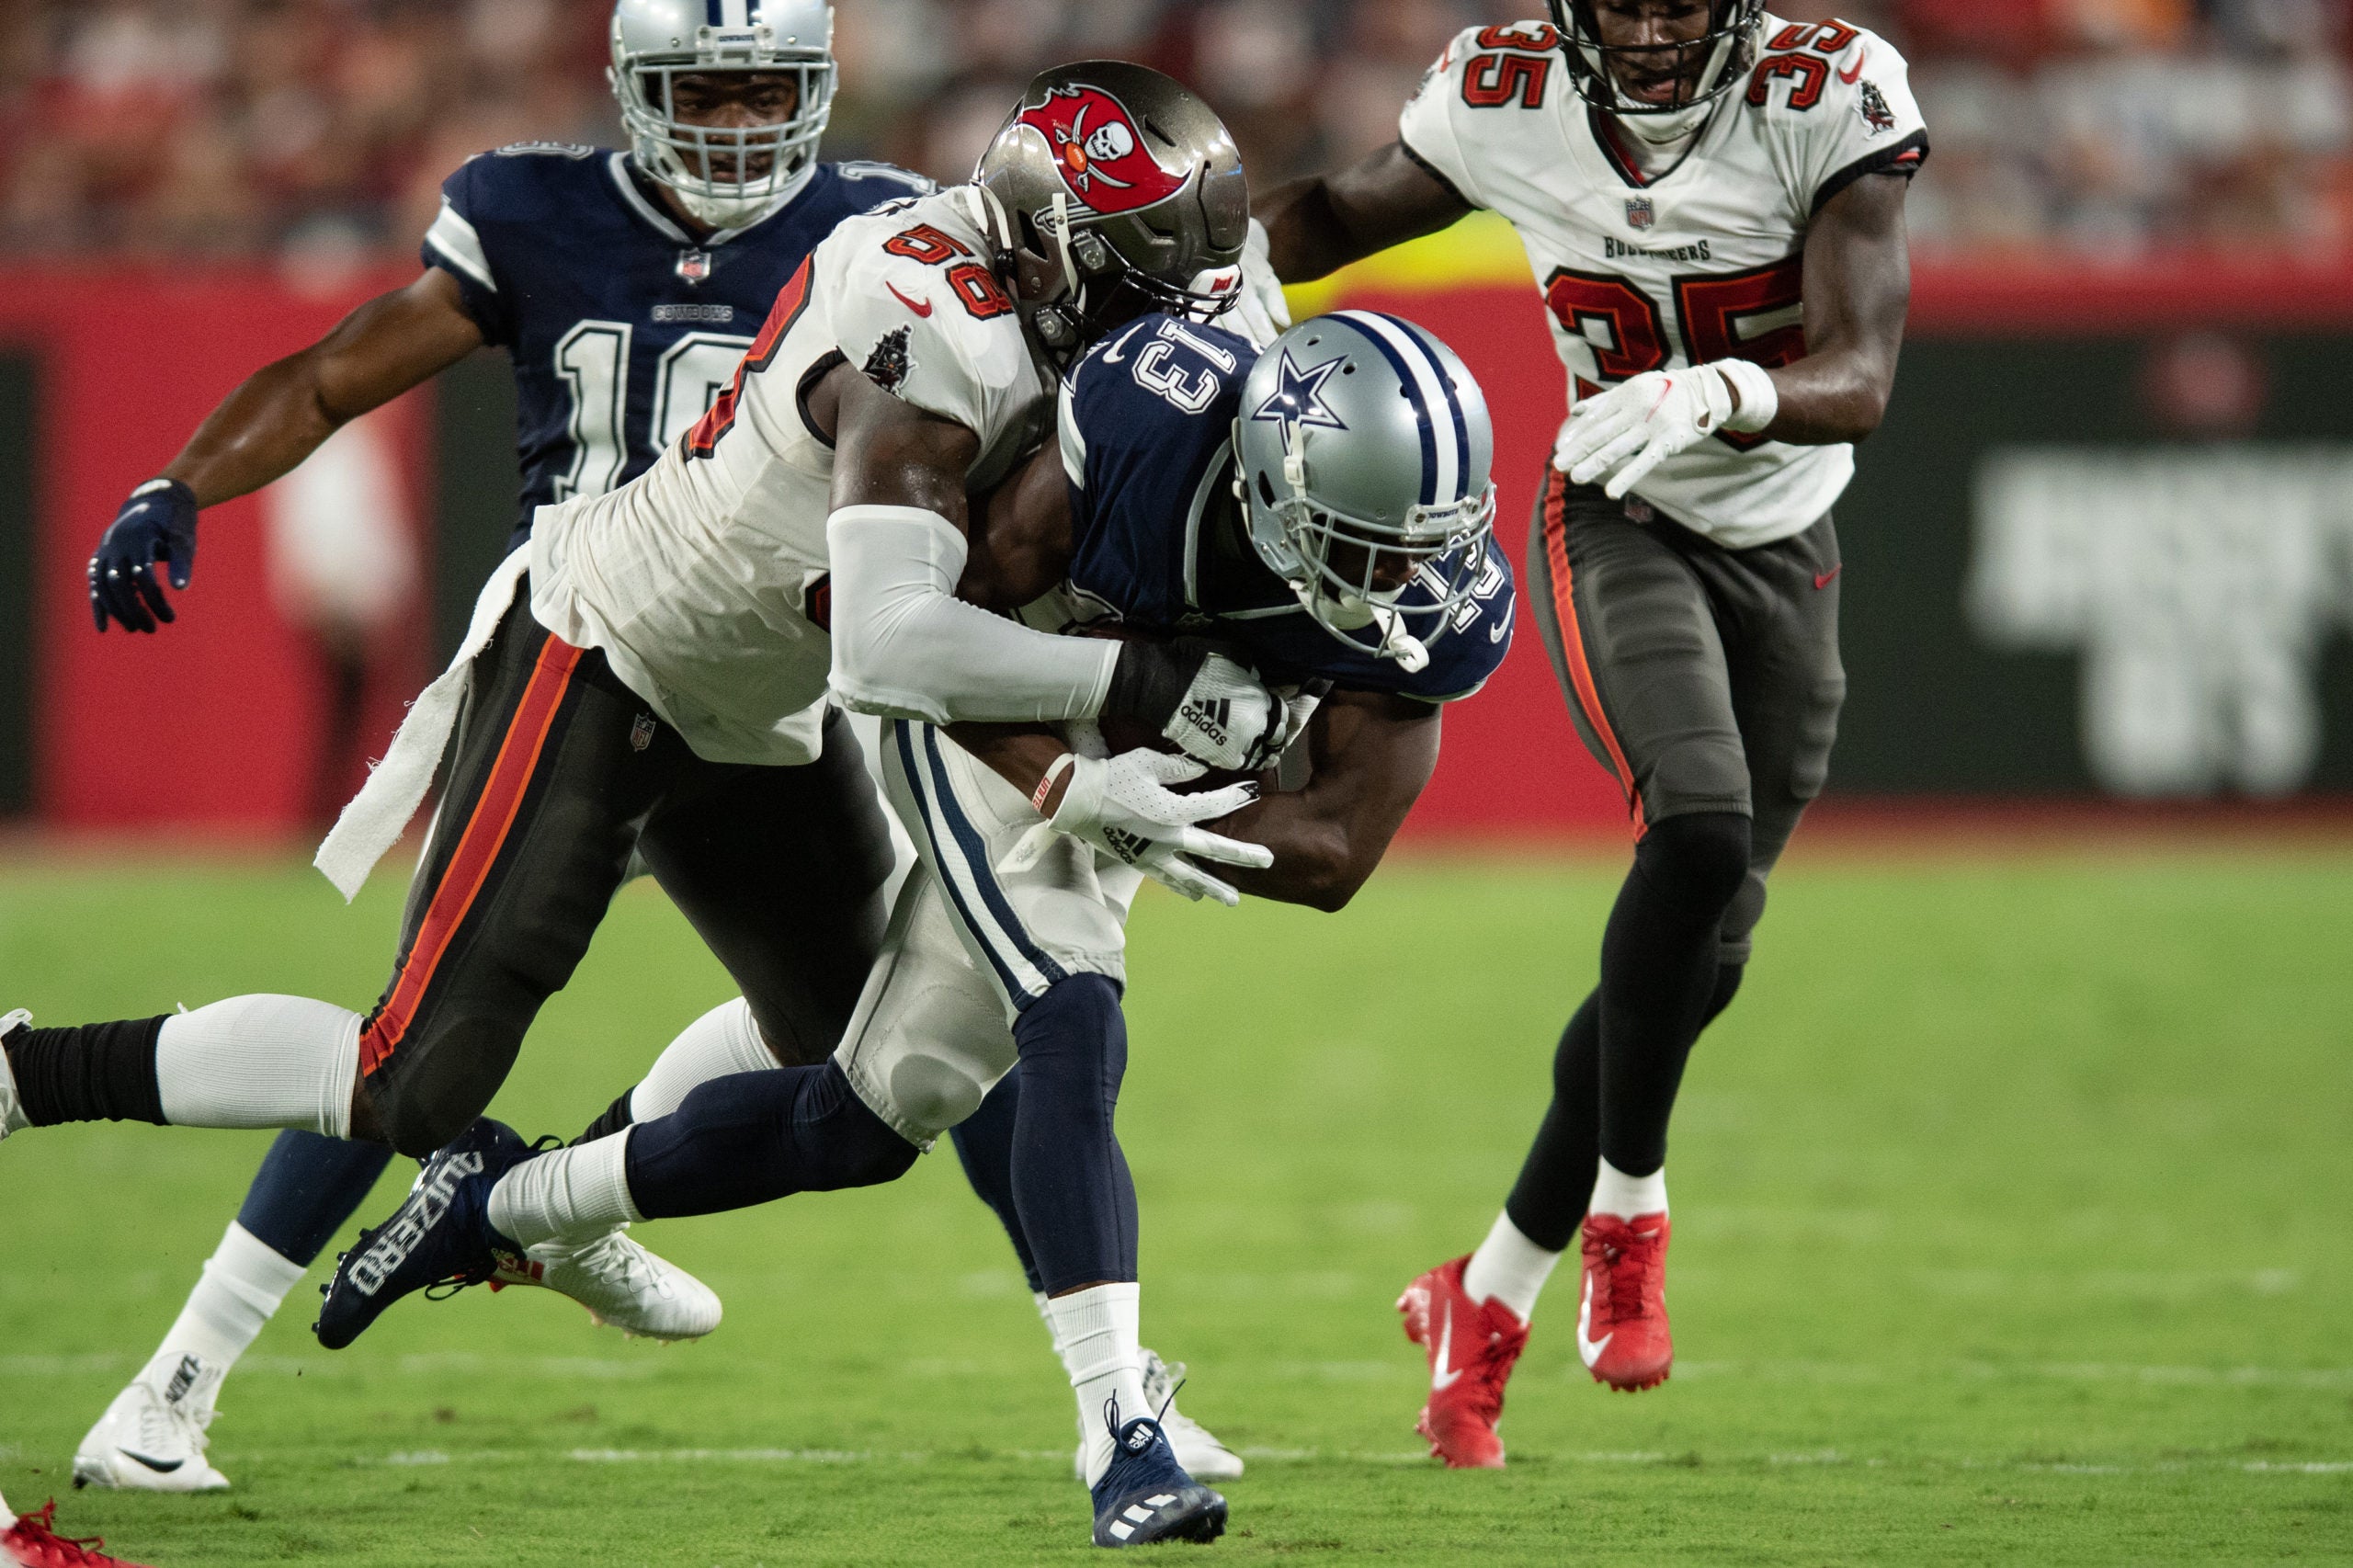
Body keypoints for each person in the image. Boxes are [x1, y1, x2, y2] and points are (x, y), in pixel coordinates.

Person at [2, 53, 1271, 1494]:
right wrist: (1128, 700)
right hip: (609, 648)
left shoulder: (1112, 280)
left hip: (765, 703)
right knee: (412, 1075)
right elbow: (888, 635)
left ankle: (541, 1206)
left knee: (862, 1066)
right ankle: (25, 1073)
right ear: (1038, 231)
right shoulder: (930, 311)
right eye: (1118, 268)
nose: (1152, 310)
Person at [314, 307, 1514, 1549]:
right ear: (1268, 481)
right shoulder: (1156, 433)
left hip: (1146, 786)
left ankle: (500, 1200)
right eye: (1359, 545)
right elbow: (944, 635)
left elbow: (1335, 852)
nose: (1397, 585)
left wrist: (1185, 814)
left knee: (864, 1120)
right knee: (1069, 1006)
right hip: (1002, 708)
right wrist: (1066, 781)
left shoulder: (1432, 598)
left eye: (1415, 549)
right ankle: (1119, 1430)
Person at [1255, 0, 1926, 1467]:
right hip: (1620, 510)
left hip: (1789, 552)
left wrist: (1724, 385)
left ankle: (1483, 1296)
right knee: (1688, 828)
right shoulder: (1507, 93)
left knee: (1702, 964)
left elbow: (1860, 377)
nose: (1650, 26)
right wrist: (1155, 266)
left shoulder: (1831, 89)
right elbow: (1321, 214)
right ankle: (1630, 1204)